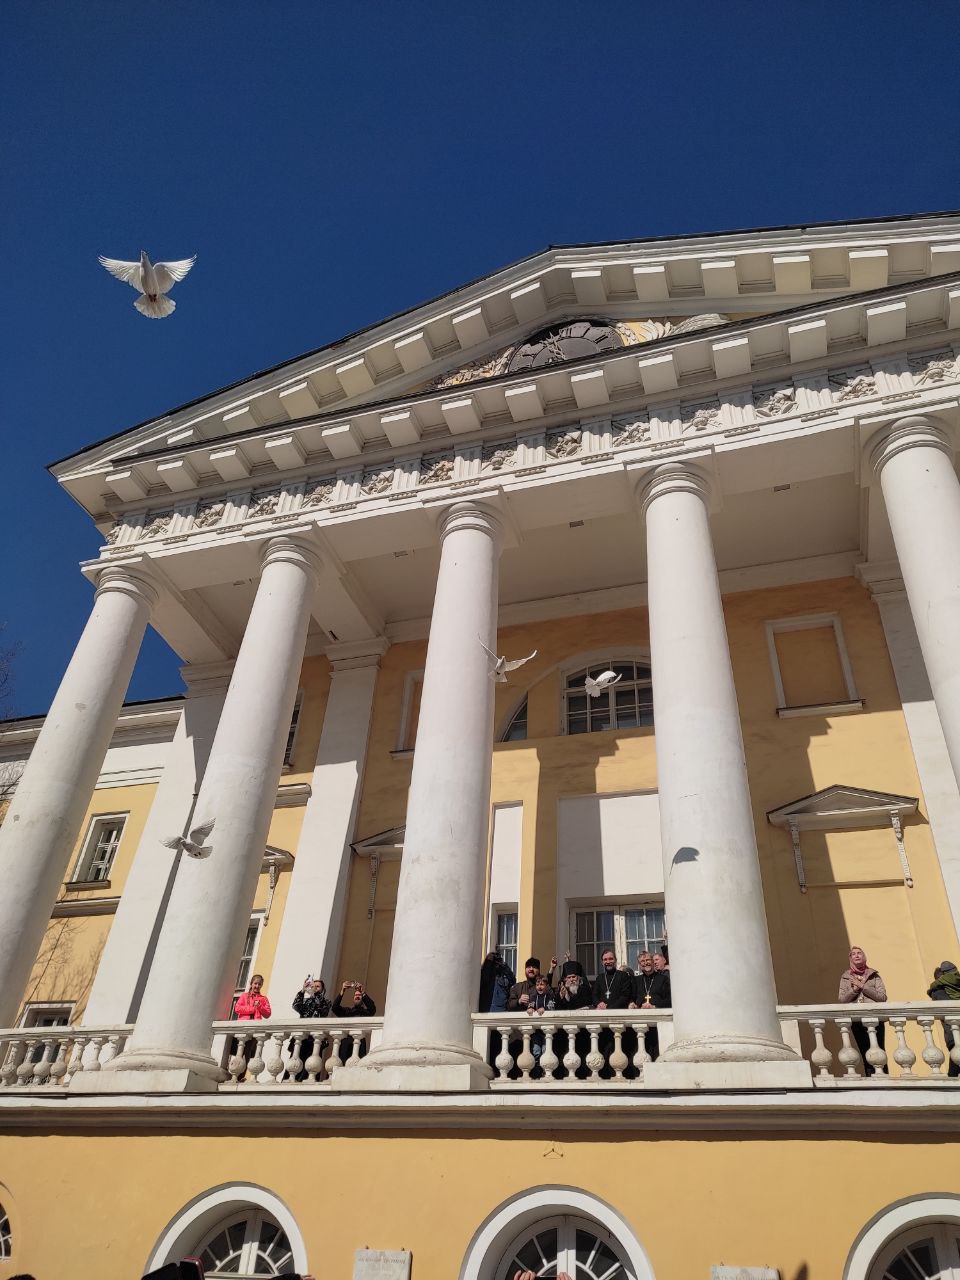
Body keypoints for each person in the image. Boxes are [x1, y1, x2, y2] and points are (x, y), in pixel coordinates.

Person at [839, 946, 887, 1075]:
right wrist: (854, 990)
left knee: (880, 1050)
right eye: (853, 954)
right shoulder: (846, 977)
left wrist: (862, 986)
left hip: (875, 1018)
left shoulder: (874, 976)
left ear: (864, 957)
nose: (856, 955)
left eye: (859, 953)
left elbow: (882, 997)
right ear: (850, 959)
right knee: (865, 1051)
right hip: (857, 1020)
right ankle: (871, 1079)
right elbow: (842, 999)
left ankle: (884, 1078)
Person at [230, 973, 272, 1079]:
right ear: (251, 984)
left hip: (254, 1029)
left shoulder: (263, 999)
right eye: (255, 983)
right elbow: (237, 1008)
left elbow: (267, 1014)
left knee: (248, 1052)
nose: (257, 986)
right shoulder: (244, 996)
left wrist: (260, 1006)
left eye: (259, 984)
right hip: (243, 1027)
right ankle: (233, 1072)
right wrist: (252, 1009)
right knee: (237, 1051)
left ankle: (241, 1076)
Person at [289, 976, 331, 1080]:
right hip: (302, 1038)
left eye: (318, 986)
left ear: (322, 990)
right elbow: (295, 1005)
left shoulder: (326, 1002)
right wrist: (303, 990)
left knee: (311, 1067)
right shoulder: (306, 1001)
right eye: (313, 986)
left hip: (315, 1039)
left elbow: (323, 1009)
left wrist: (315, 993)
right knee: (295, 1065)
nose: (315, 988)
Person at [633, 951, 671, 1061]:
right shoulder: (636, 980)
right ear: (639, 965)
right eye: (642, 961)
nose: (645, 963)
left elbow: (669, 1000)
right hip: (640, 1024)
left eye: (648, 960)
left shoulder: (663, 979)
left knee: (658, 1055)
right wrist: (632, 1003)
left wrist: (654, 1006)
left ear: (653, 962)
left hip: (658, 1025)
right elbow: (632, 998)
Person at [331, 981, 377, 1064]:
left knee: (358, 1065)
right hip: (346, 1043)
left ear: (362, 998)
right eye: (356, 995)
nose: (357, 996)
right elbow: (335, 1008)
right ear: (353, 998)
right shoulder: (347, 1012)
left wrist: (363, 992)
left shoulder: (365, 1013)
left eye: (359, 995)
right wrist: (342, 990)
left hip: (359, 1043)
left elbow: (372, 1008)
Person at [927, 959, 960, 1077]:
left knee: (955, 1064)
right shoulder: (939, 992)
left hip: (951, 1034)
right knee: (956, 1063)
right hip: (952, 1033)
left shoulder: (938, 991)